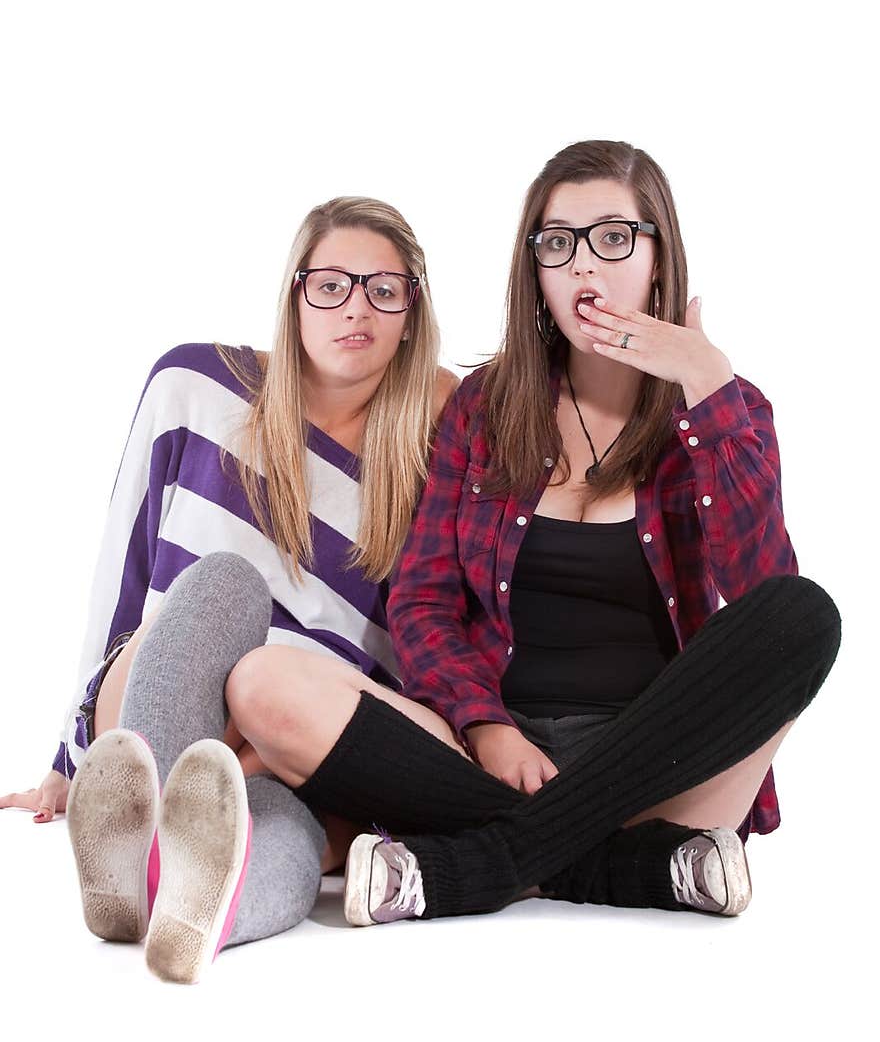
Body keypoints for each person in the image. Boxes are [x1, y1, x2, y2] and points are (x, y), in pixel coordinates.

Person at [214, 140, 841, 926]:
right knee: (265, 683)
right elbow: (423, 599)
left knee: (805, 615)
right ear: (535, 272)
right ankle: (629, 871)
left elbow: (760, 594)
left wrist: (704, 384)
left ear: (659, 255)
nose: (586, 267)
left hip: (659, 771)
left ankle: (480, 866)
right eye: (558, 243)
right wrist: (486, 726)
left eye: (614, 238)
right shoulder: (483, 406)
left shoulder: (726, 407)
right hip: (484, 762)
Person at [0, 195, 458, 979]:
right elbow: (125, 564)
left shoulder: (436, 444)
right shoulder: (195, 386)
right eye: (332, 286)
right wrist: (69, 760)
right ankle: (146, 821)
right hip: (164, 689)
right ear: (294, 295)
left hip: (287, 732)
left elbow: (431, 630)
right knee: (223, 584)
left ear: (412, 311)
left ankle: (189, 914)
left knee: (289, 834)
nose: (358, 309)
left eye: (385, 289)